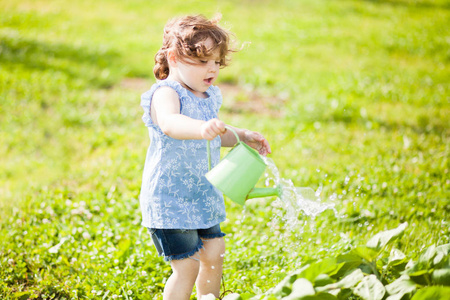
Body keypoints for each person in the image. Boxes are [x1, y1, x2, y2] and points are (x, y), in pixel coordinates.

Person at [139, 14, 271, 300]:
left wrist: (242, 134)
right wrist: (201, 128)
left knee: (214, 252)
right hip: (170, 199)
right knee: (187, 266)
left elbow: (216, 134)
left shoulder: (208, 95)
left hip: (202, 193)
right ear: (173, 58)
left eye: (216, 62)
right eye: (202, 61)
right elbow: (171, 124)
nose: (211, 68)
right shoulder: (165, 94)